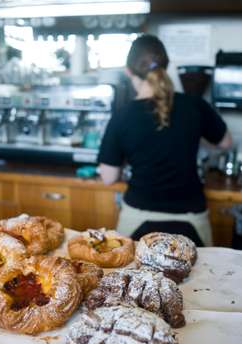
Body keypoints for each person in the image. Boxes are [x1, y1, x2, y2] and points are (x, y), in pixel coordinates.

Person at [98, 34, 232, 246]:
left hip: (137, 216)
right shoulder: (195, 105)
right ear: (167, 66)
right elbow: (225, 143)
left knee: (130, 276)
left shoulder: (122, 115)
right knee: (203, 276)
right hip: (192, 217)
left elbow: (108, 177)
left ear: (128, 71)